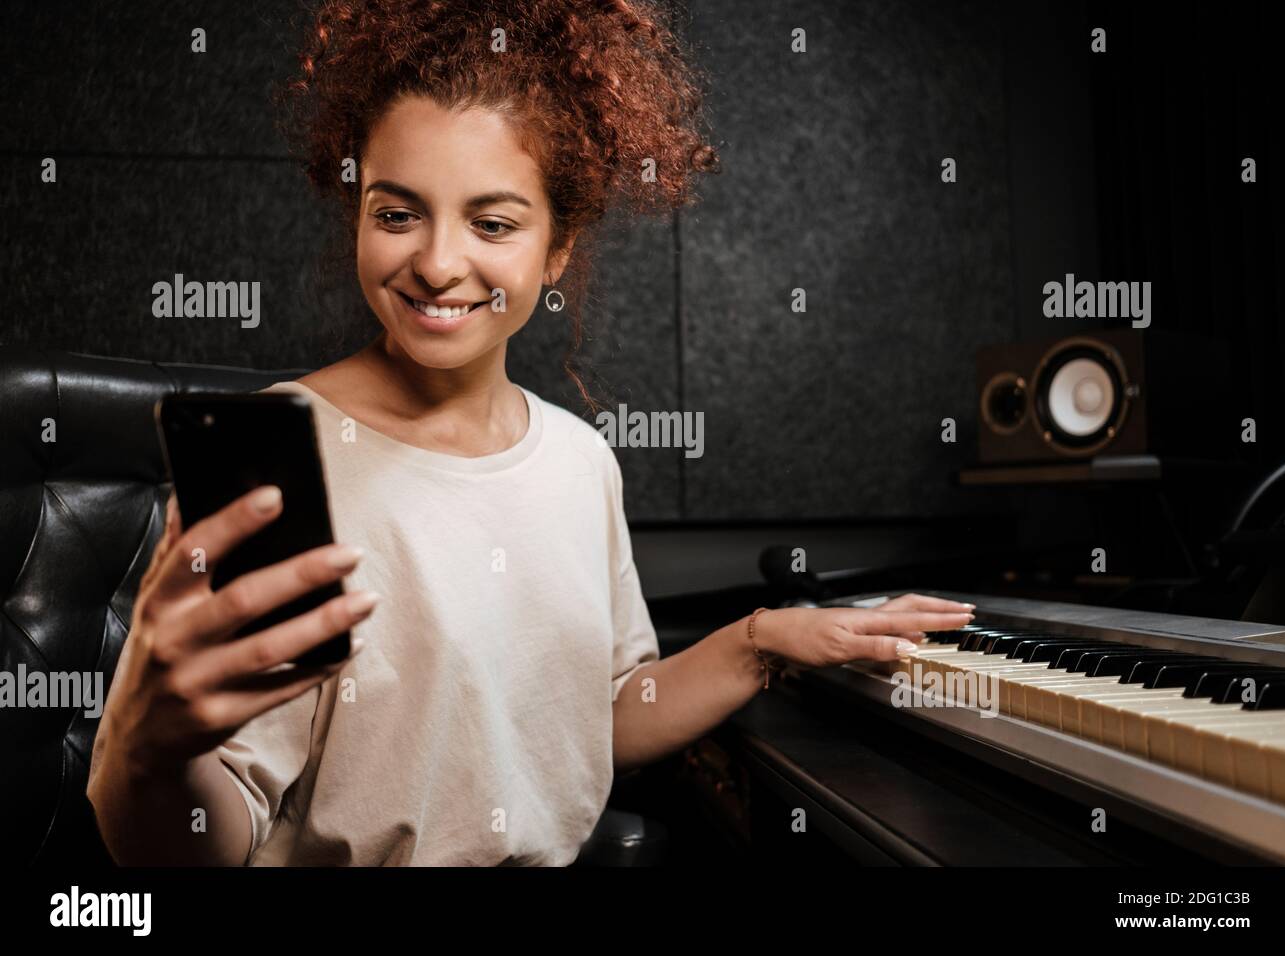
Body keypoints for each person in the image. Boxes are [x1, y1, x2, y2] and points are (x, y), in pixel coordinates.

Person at [87, 0, 975, 866]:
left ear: (557, 248)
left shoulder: (581, 460)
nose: (437, 263)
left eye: (492, 223)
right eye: (396, 214)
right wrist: (150, 751)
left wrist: (758, 640)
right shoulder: (278, 458)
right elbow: (194, 849)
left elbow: (607, 716)